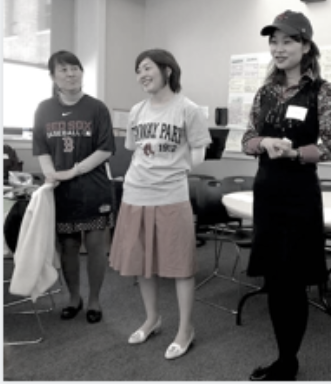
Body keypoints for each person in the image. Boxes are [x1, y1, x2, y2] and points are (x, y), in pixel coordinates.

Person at [242, 10, 331, 381]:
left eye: (287, 41)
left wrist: (296, 153)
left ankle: (288, 359)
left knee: (294, 281)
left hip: (299, 196)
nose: (278, 48)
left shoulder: (323, 91)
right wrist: (264, 142)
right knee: (274, 281)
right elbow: (246, 139)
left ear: (305, 45)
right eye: (273, 41)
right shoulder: (265, 91)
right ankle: (284, 357)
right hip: (267, 193)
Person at [109, 49, 211, 360]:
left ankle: (185, 329)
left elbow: (199, 151)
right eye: (138, 69)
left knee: (180, 266)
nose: (142, 74)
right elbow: (134, 150)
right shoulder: (138, 111)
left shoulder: (188, 109)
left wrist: (179, 170)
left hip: (171, 196)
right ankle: (152, 319)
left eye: (147, 67)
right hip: (135, 194)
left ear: (167, 70)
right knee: (143, 264)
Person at [33, 50, 116, 323]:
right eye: (63, 70)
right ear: (53, 77)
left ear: (81, 72)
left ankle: (94, 300)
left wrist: (73, 170)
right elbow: (42, 148)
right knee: (68, 247)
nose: (70, 74)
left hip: (94, 189)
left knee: (94, 246)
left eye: (75, 68)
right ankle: (74, 298)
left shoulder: (97, 108)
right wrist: (50, 173)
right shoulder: (44, 109)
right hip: (62, 192)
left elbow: (105, 149)